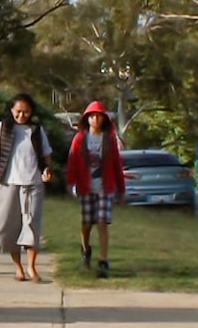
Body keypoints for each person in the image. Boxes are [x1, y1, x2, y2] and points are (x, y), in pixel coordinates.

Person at [0, 93, 53, 282]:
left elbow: (46, 154)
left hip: (33, 183)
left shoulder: (36, 130)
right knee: (10, 227)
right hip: (8, 182)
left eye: (26, 112)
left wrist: (47, 169)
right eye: (18, 111)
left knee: (31, 226)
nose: (22, 115)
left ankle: (31, 267)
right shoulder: (2, 128)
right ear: (12, 110)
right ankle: (18, 268)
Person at [65, 100, 125, 278]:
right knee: (86, 223)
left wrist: (121, 189)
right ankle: (85, 250)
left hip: (104, 188)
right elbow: (73, 162)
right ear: (87, 119)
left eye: (99, 116)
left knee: (102, 222)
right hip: (86, 187)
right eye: (92, 116)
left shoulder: (109, 140)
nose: (95, 119)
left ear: (104, 119)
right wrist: (70, 183)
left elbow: (116, 165)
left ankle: (103, 260)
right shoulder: (80, 139)